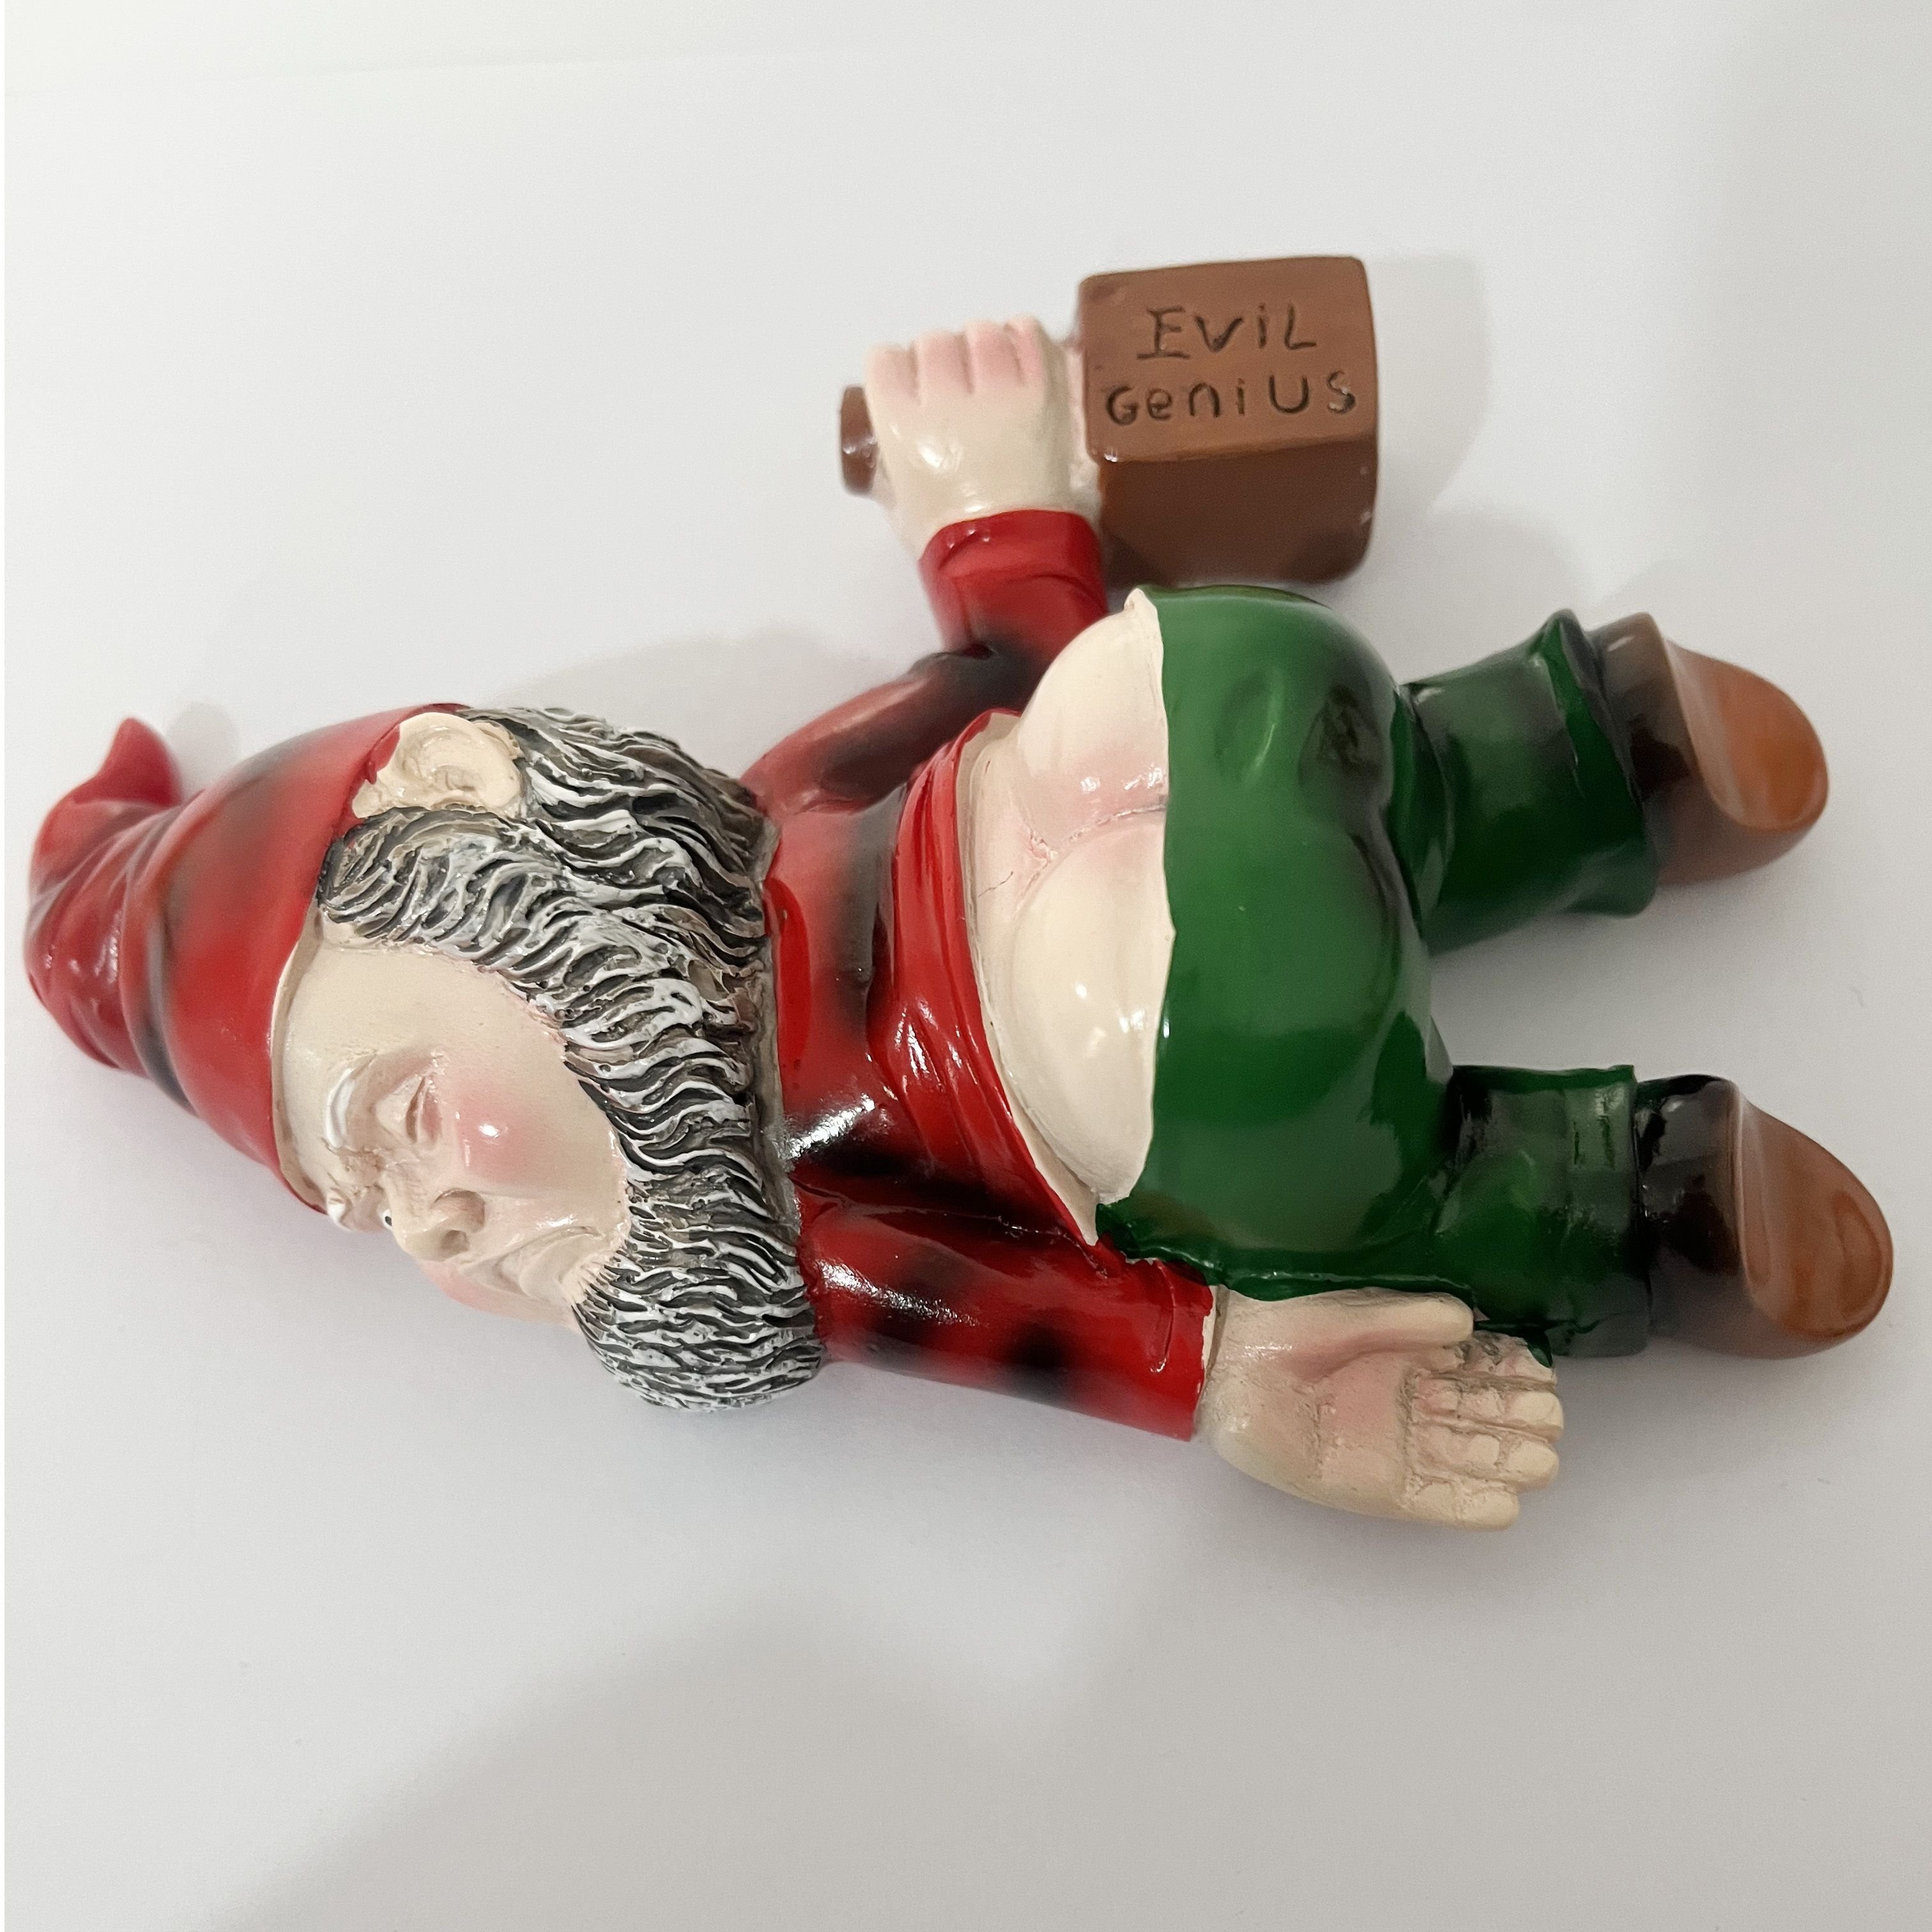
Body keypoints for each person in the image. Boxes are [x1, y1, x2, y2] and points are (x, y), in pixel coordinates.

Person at [25, 320, 1891, 1529]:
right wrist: (1237, 1375)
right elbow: (1006, 1309)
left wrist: (991, 506)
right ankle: (1632, 1196)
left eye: (403, 1120)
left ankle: (1579, 763)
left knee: (1151, 729)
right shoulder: (786, 1215)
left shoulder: (774, 811)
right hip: (1224, 1061)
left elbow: (991, 671)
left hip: (1215, 728)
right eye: (374, 1213)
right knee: (1205, 1056)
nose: (432, 1221)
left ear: (474, 801)